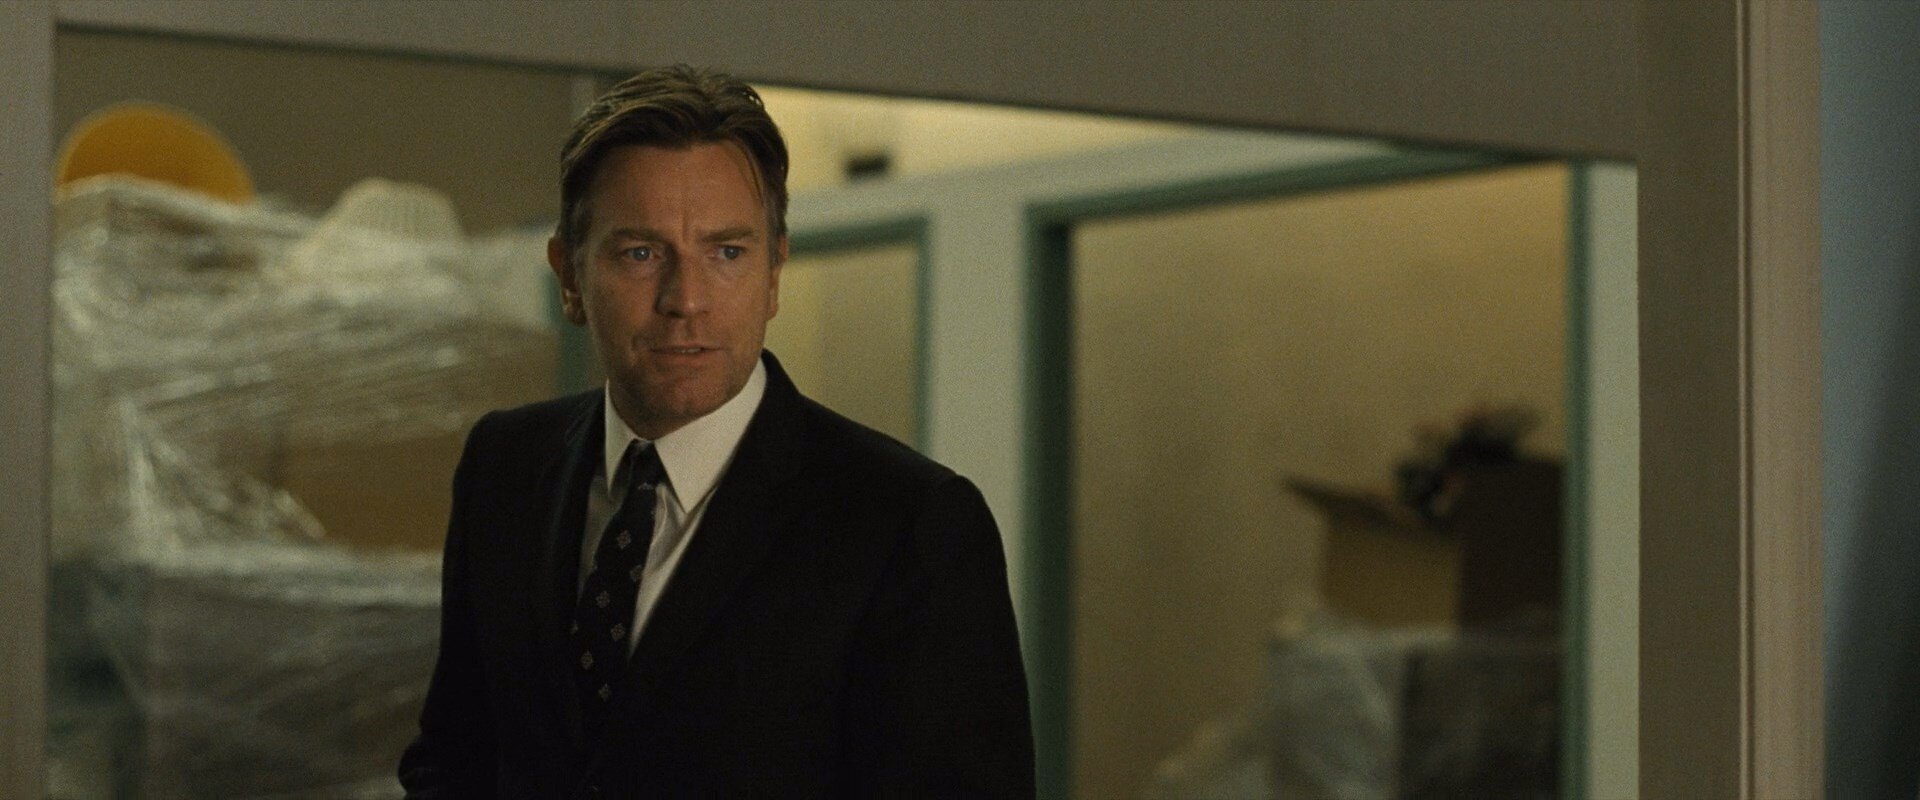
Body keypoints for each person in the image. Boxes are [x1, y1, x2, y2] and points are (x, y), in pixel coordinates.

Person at [398, 65, 1034, 798]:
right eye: (640, 254)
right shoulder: (505, 467)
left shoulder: (909, 525)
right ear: (569, 276)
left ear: (774, 273)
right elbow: (454, 759)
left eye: (727, 252)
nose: (686, 300)